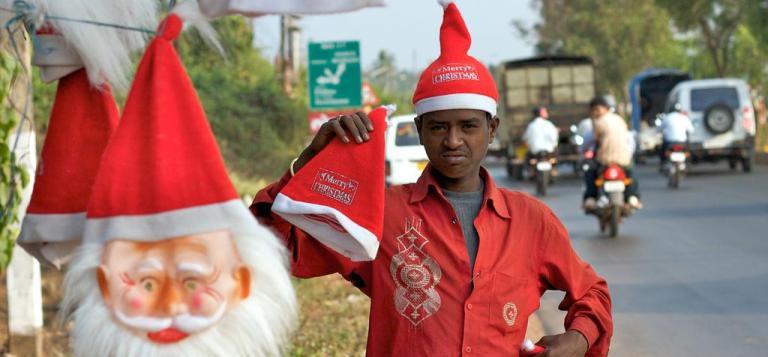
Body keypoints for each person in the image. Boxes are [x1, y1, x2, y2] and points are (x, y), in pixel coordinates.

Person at [251, 2, 612, 356]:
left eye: (468, 126)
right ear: (421, 130)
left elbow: (592, 292)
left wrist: (577, 339)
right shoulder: (378, 214)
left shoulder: (531, 221)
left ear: (492, 129)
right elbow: (274, 250)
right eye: (439, 127)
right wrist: (310, 163)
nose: (453, 140)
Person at [583, 96, 642, 210]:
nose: (594, 113)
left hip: (605, 160)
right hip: (623, 159)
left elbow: (591, 141)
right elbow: (629, 140)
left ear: (600, 109)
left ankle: (590, 198)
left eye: (595, 110)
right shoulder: (619, 119)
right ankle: (633, 197)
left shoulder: (598, 122)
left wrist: (582, 150)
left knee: (589, 171)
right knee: (631, 173)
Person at [659, 103, 694, 168]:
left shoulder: (667, 117)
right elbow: (691, 130)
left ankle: (663, 163)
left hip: (670, 142)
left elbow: (660, 128)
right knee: (688, 150)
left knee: (663, 149)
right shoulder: (684, 118)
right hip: (682, 142)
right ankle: (688, 162)